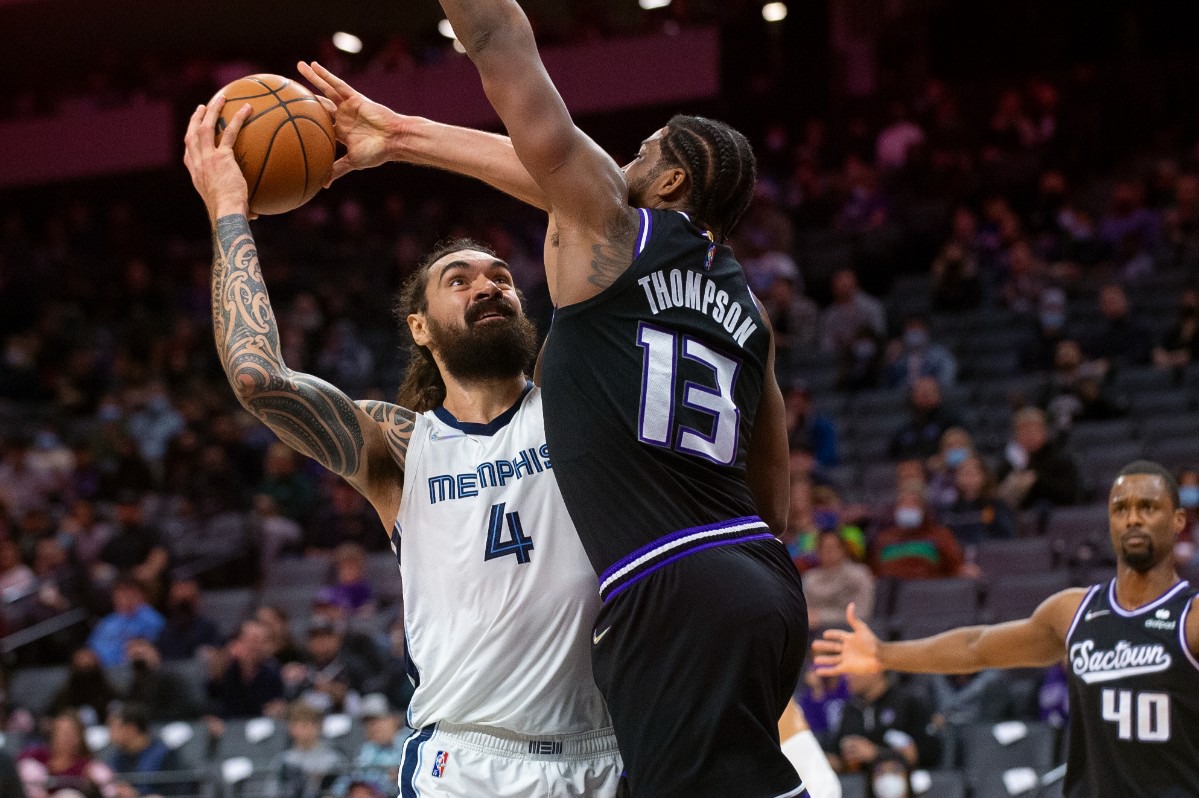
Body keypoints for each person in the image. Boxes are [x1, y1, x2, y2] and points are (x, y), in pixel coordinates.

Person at [410, 2, 808, 795]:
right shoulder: (746, 308)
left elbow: (498, 41)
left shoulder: (613, 234)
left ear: (670, 179)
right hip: (762, 583)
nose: (621, 162)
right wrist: (395, 135)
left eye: (641, 152)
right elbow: (774, 496)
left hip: (671, 585)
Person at [183, 99, 620, 796]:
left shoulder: (574, 405)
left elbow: (601, 208)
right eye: (461, 278)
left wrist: (405, 140)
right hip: (468, 762)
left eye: (501, 277)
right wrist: (229, 207)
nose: (488, 284)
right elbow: (258, 377)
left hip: (608, 752)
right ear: (418, 327)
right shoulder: (401, 443)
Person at [814, 460, 1199, 797]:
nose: (1132, 518)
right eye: (1121, 508)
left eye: (1148, 507)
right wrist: (883, 654)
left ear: (1178, 519)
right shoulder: (1073, 612)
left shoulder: (1192, 616)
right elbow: (976, 647)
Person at [105, 701, 193, 797]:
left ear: (131, 728)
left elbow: (179, 791)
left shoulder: (165, 755)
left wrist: (138, 795)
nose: (109, 732)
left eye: (113, 726)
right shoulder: (117, 758)